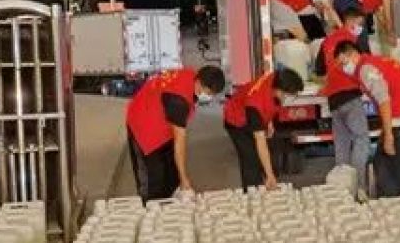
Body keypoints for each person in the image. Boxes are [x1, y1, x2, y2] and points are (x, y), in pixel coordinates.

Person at [333, 40, 400, 197]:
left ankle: (393, 204)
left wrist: (388, 135)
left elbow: (384, 100)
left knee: (387, 167)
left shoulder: (365, 69)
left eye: (343, 63)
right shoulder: (379, 61)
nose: (344, 68)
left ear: (351, 54)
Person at [125, 65, 226, 201]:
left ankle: (169, 198)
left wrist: (180, 179)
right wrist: (184, 179)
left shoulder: (191, 76)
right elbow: (180, 142)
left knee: (171, 175)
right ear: (199, 82)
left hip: (161, 118)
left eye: (212, 95)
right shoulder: (178, 100)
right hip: (142, 123)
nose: (208, 97)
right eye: (207, 93)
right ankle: (149, 205)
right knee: (154, 178)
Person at [314, 6, 371, 199]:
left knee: (342, 143)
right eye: (360, 24)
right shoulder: (353, 41)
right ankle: (359, 187)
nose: (360, 28)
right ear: (351, 21)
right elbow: (367, 64)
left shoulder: (327, 41)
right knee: (361, 139)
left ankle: (342, 190)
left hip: (334, 100)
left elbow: (319, 71)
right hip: (351, 96)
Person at [222, 68, 304, 191]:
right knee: (251, 159)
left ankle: (269, 182)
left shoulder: (276, 78)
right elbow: (260, 141)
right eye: (291, 94)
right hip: (236, 121)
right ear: (279, 90)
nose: (291, 97)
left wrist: (268, 122)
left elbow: (270, 106)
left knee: (273, 149)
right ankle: (253, 193)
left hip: (252, 113)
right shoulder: (254, 104)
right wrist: (269, 174)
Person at [333, 0, 399, 49]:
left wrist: (388, 32)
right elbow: (387, 15)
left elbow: (380, 17)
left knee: (347, 33)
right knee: (360, 27)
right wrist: (390, 34)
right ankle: (365, 53)